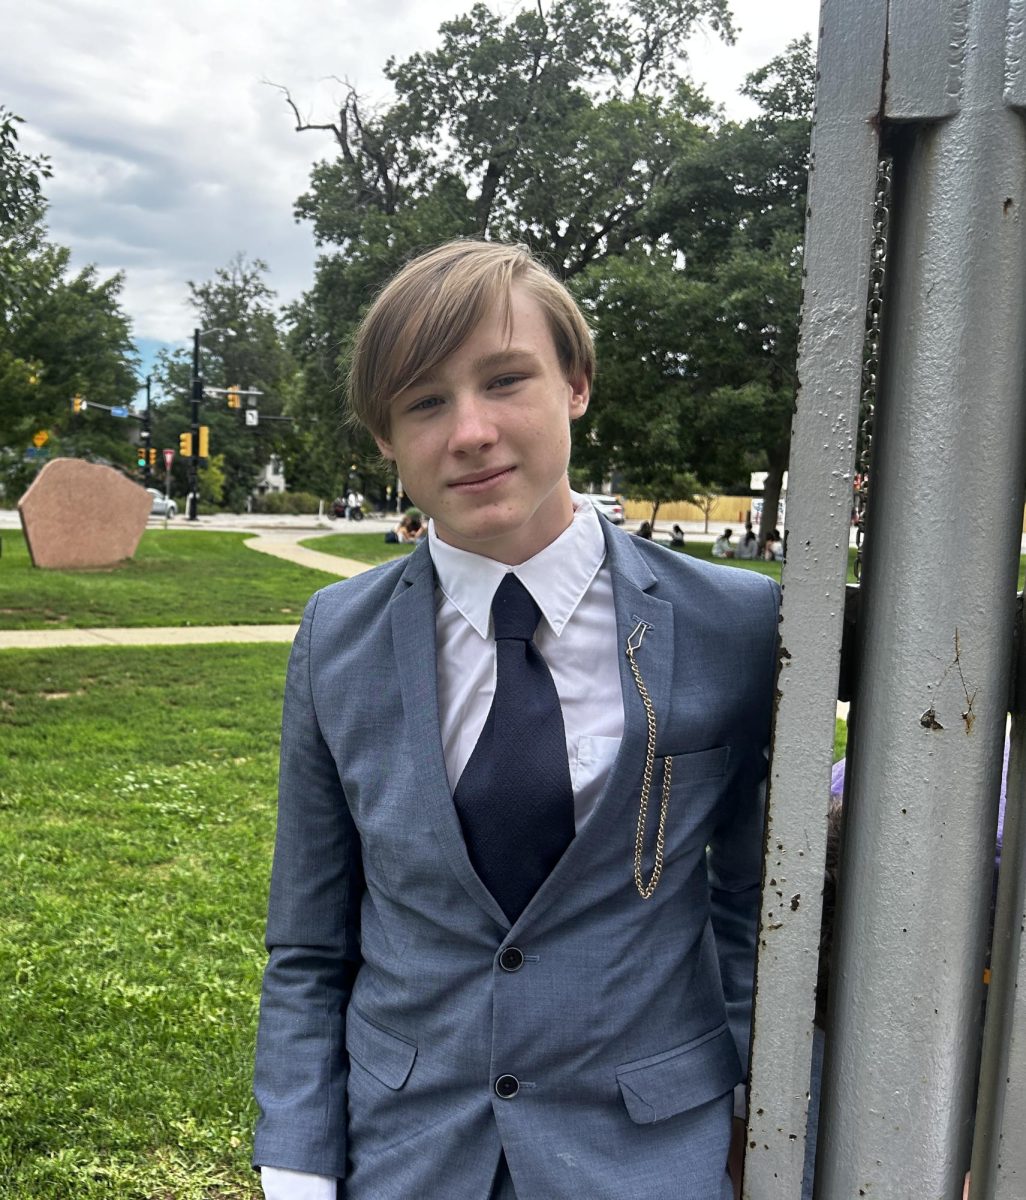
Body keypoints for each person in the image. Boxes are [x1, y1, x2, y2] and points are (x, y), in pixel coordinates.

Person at [252, 240, 779, 1200]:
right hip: (408, 1152)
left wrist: (758, 1113)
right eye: (424, 402)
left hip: (653, 1152)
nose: (470, 431)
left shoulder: (734, 625)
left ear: (576, 384)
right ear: (384, 438)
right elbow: (309, 945)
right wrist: (295, 1169)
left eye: (505, 380)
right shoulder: (337, 639)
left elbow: (760, 907)